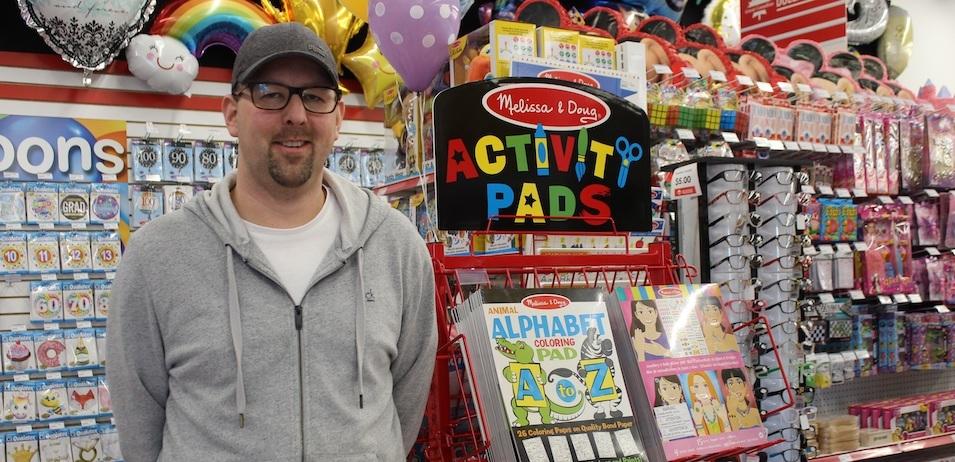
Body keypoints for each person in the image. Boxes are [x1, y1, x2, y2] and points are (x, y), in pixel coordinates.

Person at [107, 22, 437, 461]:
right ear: (231, 113)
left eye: (316, 96)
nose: (296, 115)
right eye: (269, 92)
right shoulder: (157, 256)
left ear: (338, 118)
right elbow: (140, 423)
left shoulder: (396, 247)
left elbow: (404, 405)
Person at [688, 372, 730, 436]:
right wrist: (699, 422)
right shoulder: (692, 412)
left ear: (709, 385)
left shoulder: (719, 405)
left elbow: (730, 433)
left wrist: (724, 418)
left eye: (705, 385)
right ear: (692, 389)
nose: (702, 389)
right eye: (696, 386)